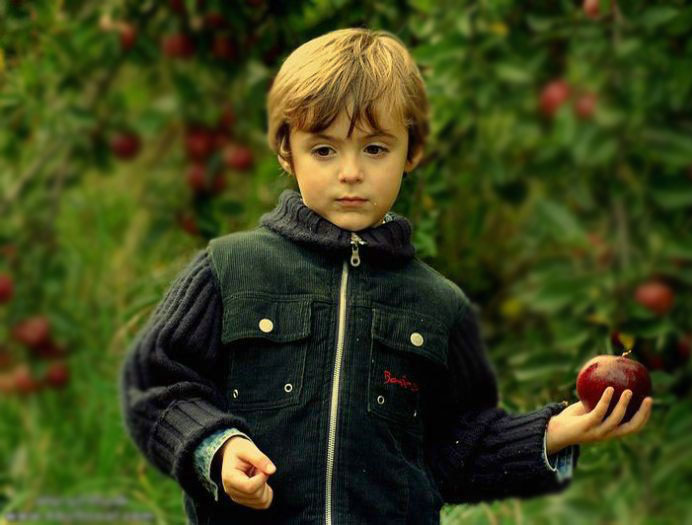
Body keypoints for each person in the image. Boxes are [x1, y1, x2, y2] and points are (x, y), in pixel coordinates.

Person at [119, 27, 652, 525]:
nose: (351, 172)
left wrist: (555, 431)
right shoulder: (230, 269)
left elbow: (456, 449)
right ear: (287, 152)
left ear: (411, 151)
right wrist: (217, 448)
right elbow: (155, 384)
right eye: (324, 150)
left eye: (375, 148)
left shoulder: (438, 304)